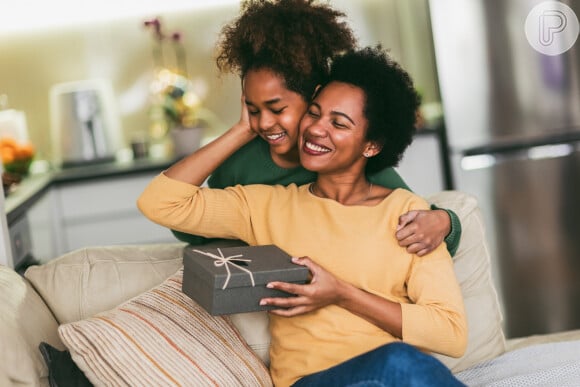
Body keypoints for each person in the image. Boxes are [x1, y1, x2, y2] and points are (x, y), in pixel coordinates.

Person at [138, 46, 467, 387]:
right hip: (312, 381)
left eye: (338, 123)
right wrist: (242, 129)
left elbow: (451, 334)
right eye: (314, 113)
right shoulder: (265, 207)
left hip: (394, 376)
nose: (316, 129)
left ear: (371, 145)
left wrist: (343, 293)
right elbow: (159, 203)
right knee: (398, 363)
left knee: (397, 364)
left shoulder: (409, 215)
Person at [171, 0, 462, 257]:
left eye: (277, 109)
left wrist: (444, 222)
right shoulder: (237, 165)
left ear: (315, 97)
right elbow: (190, 227)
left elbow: (426, 224)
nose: (263, 123)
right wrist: (240, 131)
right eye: (253, 109)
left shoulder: (352, 164)